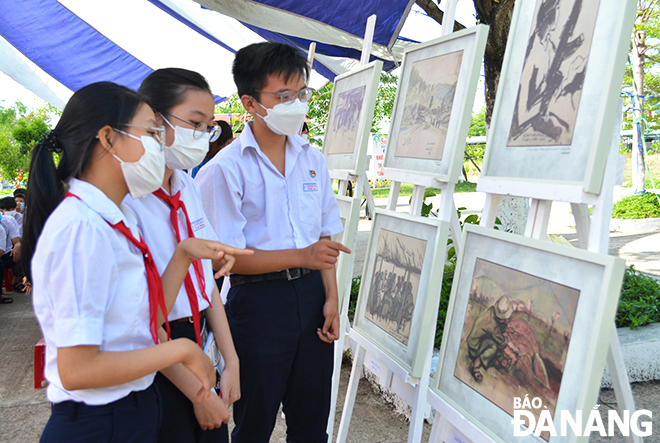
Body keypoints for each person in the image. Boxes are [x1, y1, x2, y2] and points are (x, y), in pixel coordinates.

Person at [22, 82, 250, 443]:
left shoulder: (117, 215)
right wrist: (180, 348)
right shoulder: (82, 228)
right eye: (150, 133)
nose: (160, 147)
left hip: (132, 408)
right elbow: (76, 370)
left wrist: (183, 254)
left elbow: (147, 317)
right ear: (109, 139)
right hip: (99, 422)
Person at [196, 41, 351, 443]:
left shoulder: (311, 158)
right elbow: (224, 260)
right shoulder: (224, 170)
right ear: (250, 102)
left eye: (302, 94)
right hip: (258, 307)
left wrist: (331, 298)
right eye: (284, 96)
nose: (296, 104)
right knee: (254, 423)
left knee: (312, 423)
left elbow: (324, 237)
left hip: (313, 298)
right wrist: (303, 256)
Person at [123, 68, 240, 443]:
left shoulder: (186, 184)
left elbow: (205, 285)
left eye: (207, 126)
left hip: (196, 339)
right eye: (194, 122)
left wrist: (230, 359)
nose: (203, 136)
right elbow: (141, 322)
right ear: (155, 121)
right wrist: (198, 393)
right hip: (156, 357)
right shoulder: (125, 201)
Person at [466, 295, 515, 382]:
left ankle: (495, 359)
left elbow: (497, 327)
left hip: (478, 340)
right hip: (474, 347)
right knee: (494, 346)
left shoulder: (492, 312)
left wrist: (506, 328)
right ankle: (475, 366)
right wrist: (512, 354)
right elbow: (502, 342)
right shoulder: (492, 325)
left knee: (494, 342)